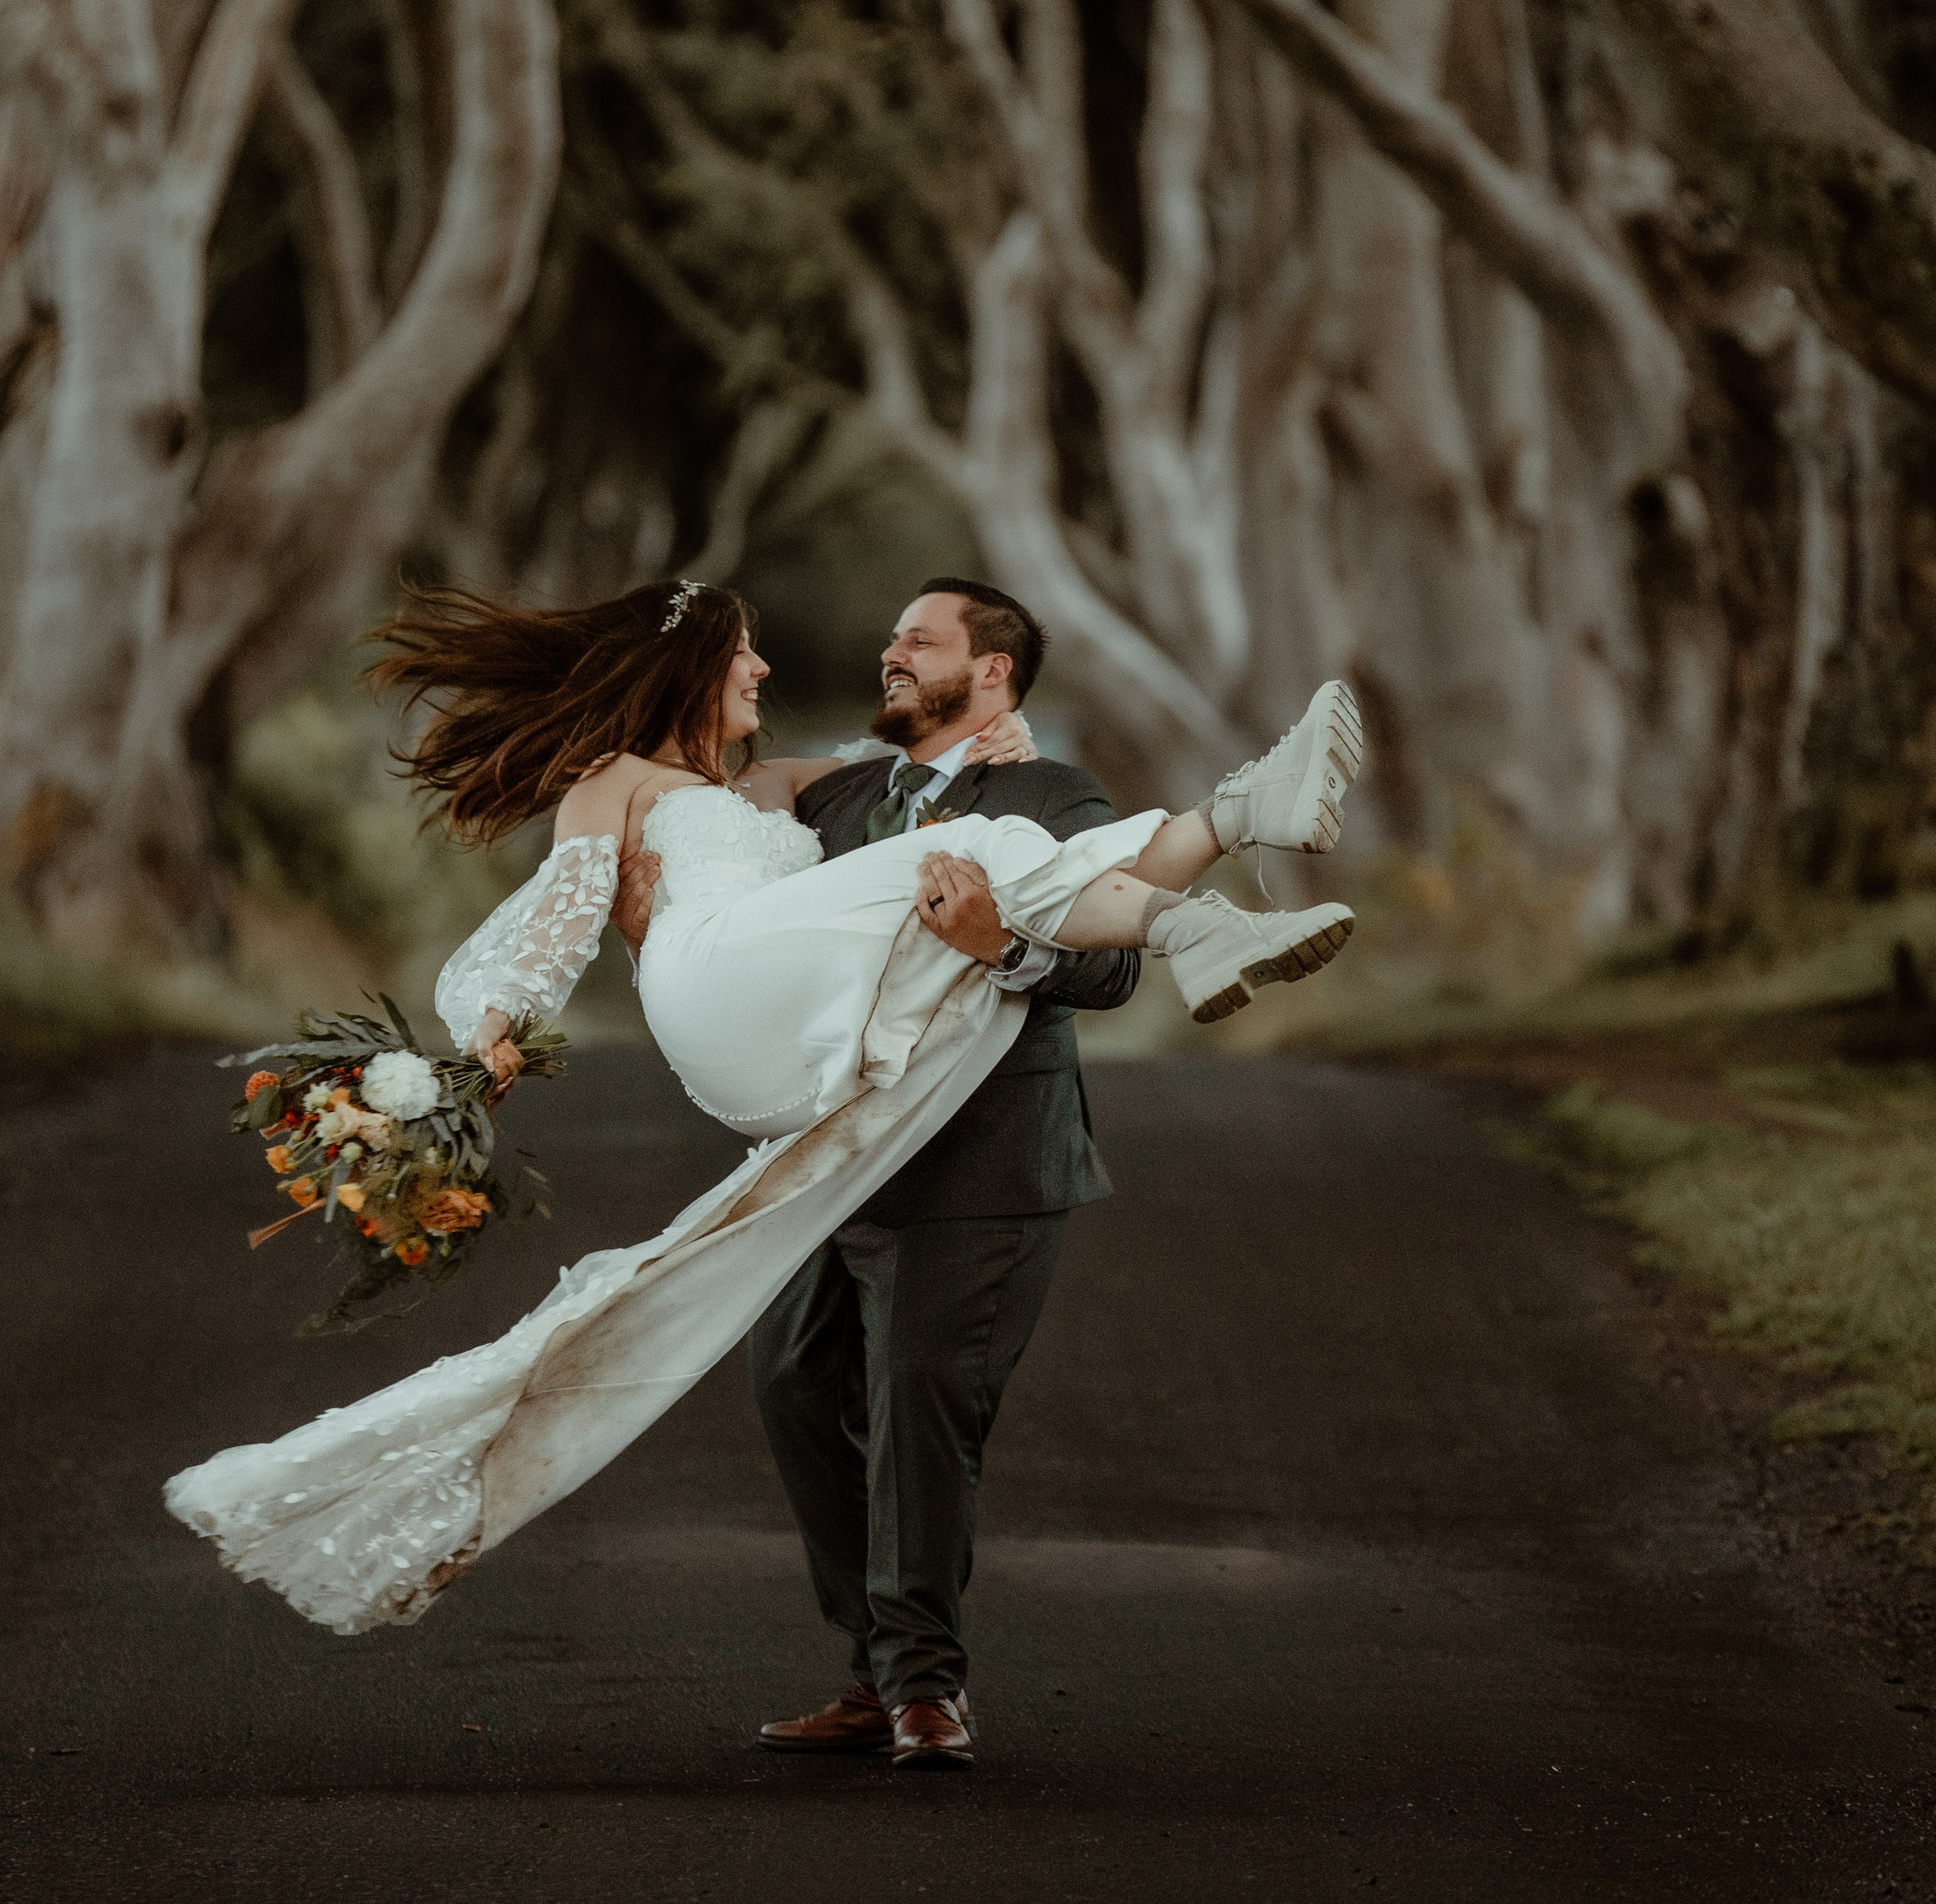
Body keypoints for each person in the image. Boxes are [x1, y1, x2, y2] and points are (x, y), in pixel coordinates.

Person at [165, 577, 1361, 1698]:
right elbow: (555, 917)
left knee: (994, 852)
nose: (772, 666)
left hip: (835, 1073)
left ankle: (1218, 873)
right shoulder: (637, 782)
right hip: (722, 991)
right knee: (982, 858)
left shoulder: (849, 787)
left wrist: (1000, 799)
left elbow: (906, 790)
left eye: (918, 644)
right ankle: (1220, 863)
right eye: (744, 653)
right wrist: (483, 1051)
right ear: (689, 667)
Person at [604, 576, 1360, 1770]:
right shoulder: (844, 794)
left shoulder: (1052, 792)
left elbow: (1104, 980)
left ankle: (924, 1690)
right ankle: (875, 1664)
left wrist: (999, 943)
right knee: (792, 1384)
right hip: (843, 1157)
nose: (890, 651)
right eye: (892, 633)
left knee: (918, 1409)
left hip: (982, 1162)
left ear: (993, 670)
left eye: (921, 639)